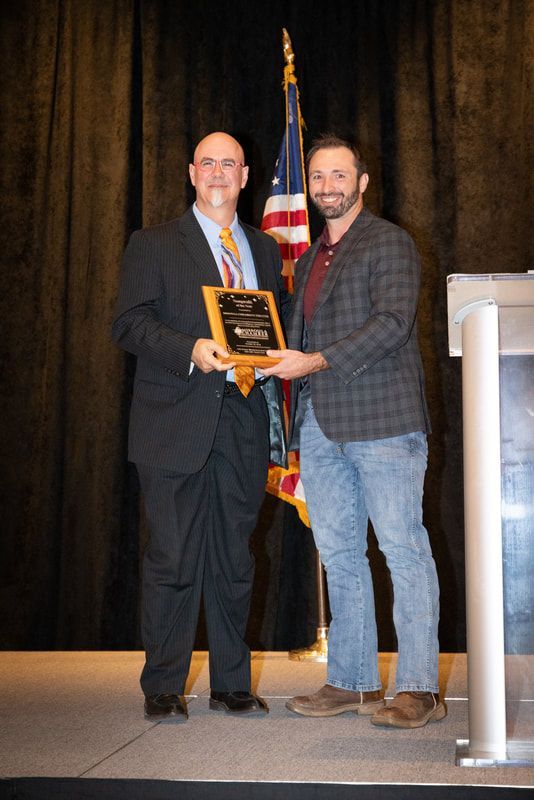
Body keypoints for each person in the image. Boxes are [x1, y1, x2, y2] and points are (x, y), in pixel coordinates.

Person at [260, 134, 446, 729]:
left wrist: (313, 362)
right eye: (318, 178)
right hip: (319, 425)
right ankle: (354, 681)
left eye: (339, 176)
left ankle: (419, 688)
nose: (327, 187)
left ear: (361, 182)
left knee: (402, 550)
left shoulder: (389, 242)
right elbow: (300, 343)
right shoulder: (311, 259)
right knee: (339, 553)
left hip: (385, 424)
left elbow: (392, 324)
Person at [112, 132, 290, 721]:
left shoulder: (264, 250)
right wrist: (191, 347)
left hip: (242, 423)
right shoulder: (153, 243)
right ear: (192, 173)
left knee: (235, 559)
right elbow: (130, 324)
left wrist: (275, 361)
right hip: (173, 425)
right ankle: (163, 686)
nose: (218, 173)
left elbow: (274, 328)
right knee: (172, 557)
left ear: (245, 177)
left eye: (230, 164)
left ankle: (231, 683)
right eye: (207, 163)